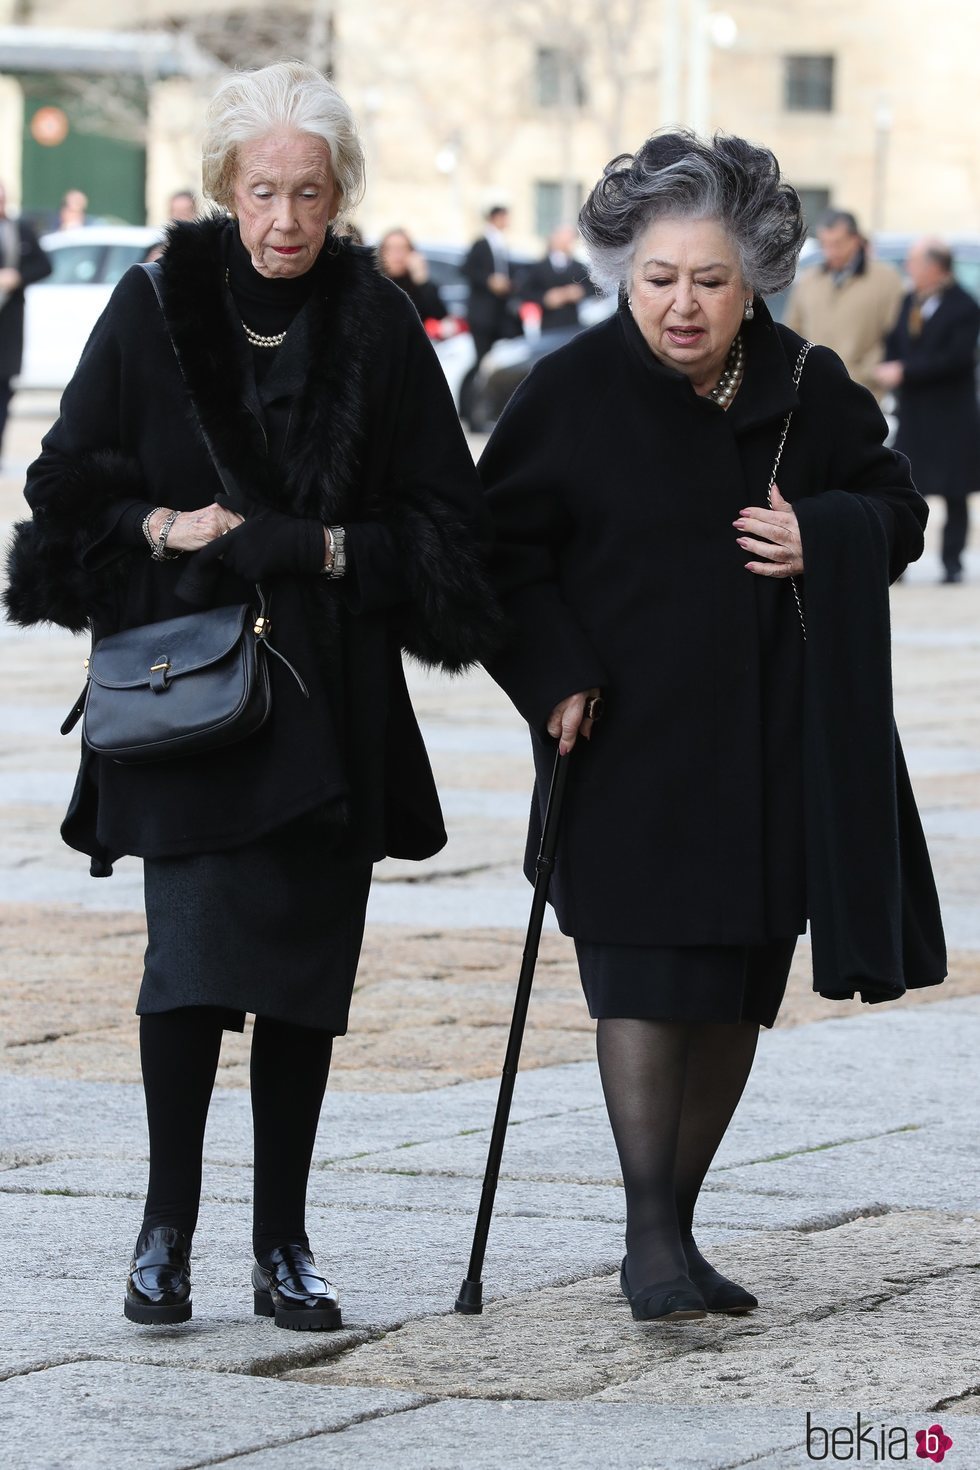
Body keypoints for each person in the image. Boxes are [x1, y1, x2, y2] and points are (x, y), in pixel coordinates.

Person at [5, 62, 498, 1332]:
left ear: (342, 197)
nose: (286, 218)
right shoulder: (152, 305)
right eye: (264, 190)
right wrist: (169, 523)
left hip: (329, 703)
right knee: (187, 965)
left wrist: (322, 548)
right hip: (187, 690)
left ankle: (283, 1240)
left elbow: (449, 536)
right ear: (226, 186)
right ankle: (164, 1230)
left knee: (301, 982)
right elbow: (59, 499)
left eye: (312, 194)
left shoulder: (381, 325)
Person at [479, 131, 946, 1326]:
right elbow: (496, 558)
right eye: (657, 279)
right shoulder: (569, 389)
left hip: (765, 745)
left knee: (737, 986)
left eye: (709, 281)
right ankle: (644, 1240)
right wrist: (554, 675)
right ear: (621, 275)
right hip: (622, 739)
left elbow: (893, 507)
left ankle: (677, 1226)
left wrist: (822, 534)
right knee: (640, 976)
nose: (681, 305)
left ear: (755, 282)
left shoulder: (806, 382)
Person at [875, 239, 980, 583]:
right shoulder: (909, 301)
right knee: (905, 487)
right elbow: (895, 341)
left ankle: (952, 562)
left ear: (935, 267)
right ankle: (901, 558)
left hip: (951, 415)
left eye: (915, 263)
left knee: (954, 490)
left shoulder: (963, 306)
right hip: (916, 413)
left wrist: (906, 370)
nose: (909, 269)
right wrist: (889, 365)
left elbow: (958, 358)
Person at [785, 209, 903, 397]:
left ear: (855, 239)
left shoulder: (886, 280)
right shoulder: (808, 281)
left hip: (864, 391)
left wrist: (865, 371)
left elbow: (894, 334)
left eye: (837, 243)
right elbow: (793, 330)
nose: (831, 252)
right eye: (825, 244)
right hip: (813, 389)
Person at [0, 182, 51, 462]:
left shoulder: (19, 229)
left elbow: (44, 264)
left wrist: (17, 276)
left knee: (3, 392)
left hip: (7, 324)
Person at [462, 204, 521, 364]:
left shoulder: (501, 244)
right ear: (495, 218)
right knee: (482, 359)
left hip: (500, 312)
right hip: (483, 314)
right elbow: (467, 269)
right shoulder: (481, 243)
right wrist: (489, 281)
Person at [518, 224, 592, 332]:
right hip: (549, 323)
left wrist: (580, 291)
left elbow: (594, 288)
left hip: (573, 323)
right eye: (563, 238)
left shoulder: (580, 267)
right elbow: (525, 293)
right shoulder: (538, 267)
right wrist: (545, 298)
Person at [376, 227, 449, 331]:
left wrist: (421, 280)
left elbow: (440, 316)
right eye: (390, 248)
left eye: (402, 248)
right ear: (381, 253)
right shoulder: (374, 284)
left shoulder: (419, 285)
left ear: (412, 253)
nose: (397, 254)